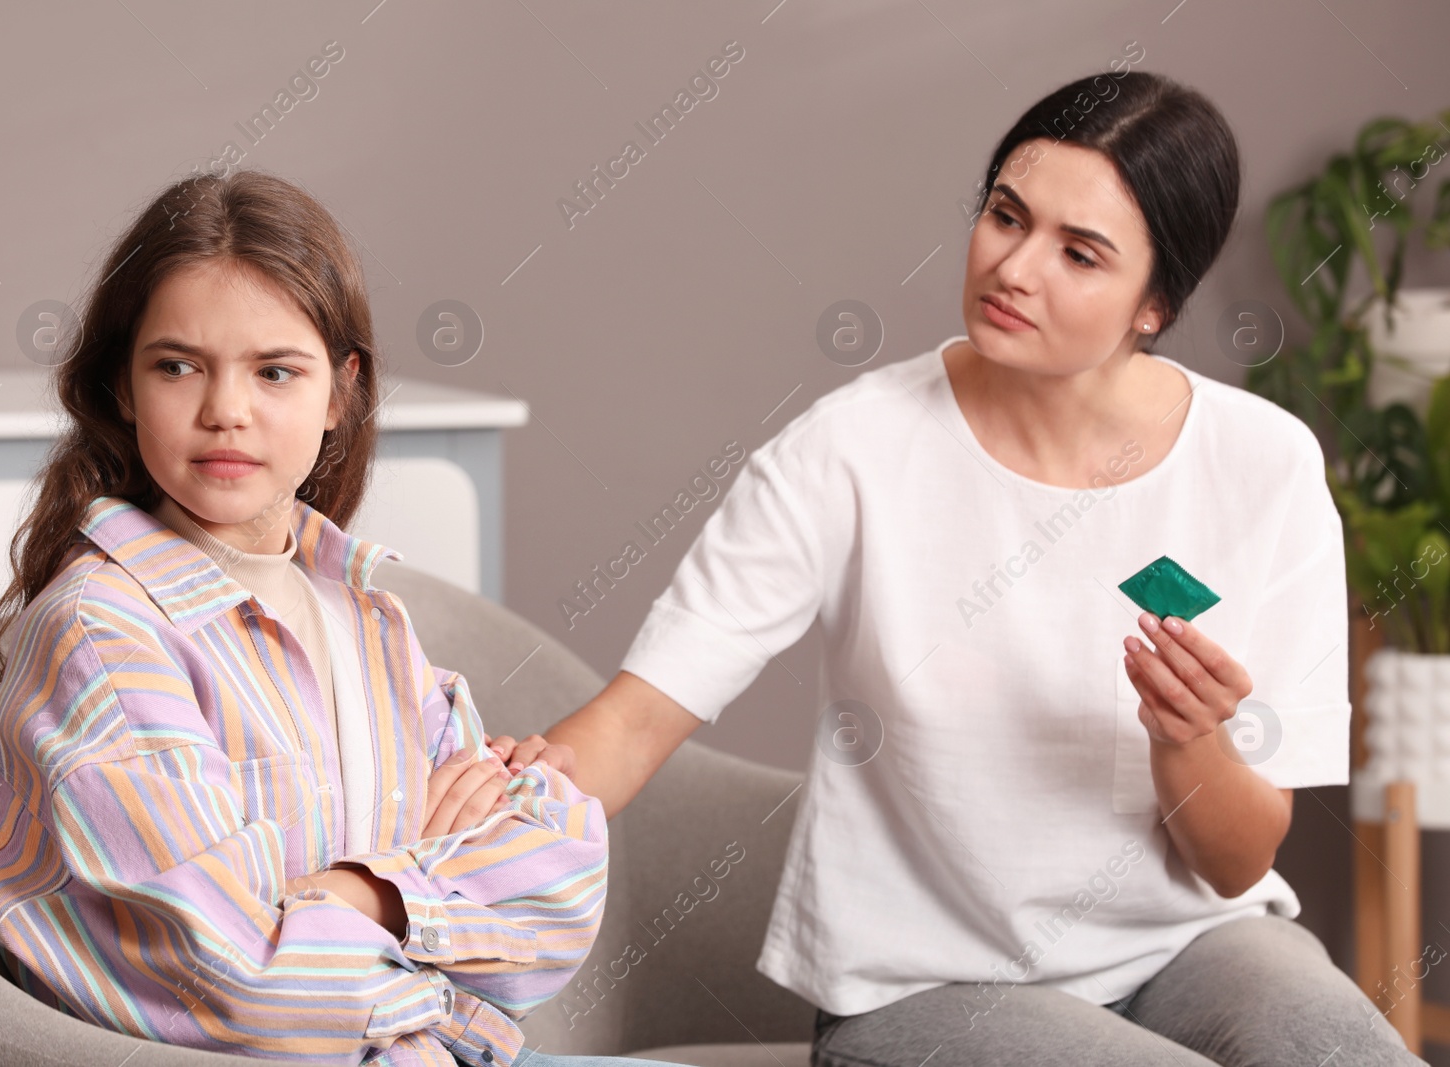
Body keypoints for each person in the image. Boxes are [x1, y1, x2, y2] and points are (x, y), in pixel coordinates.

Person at [490, 72, 1426, 1065]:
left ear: (1152, 303)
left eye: (1079, 253)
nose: (1013, 268)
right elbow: (638, 717)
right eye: (1004, 215)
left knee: (1339, 1046)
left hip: (1190, 943)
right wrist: (477, 819)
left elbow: (1237, 857)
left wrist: (1187, 739)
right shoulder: (848, 452)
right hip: (925, 987)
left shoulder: (1262, 465)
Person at [0, 170, 686, 1067]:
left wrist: (360, 894)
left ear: (340, 393)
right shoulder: (105, 637)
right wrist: (447, 953)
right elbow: (228, 972)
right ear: (121, 386)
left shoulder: (359, 604)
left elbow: (558, 877)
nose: (226, 410)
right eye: (178, 365)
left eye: (275, 371)